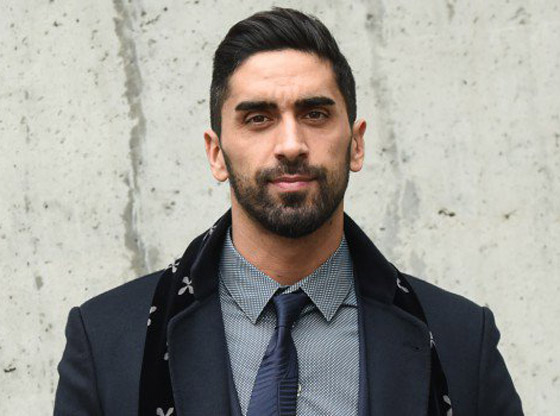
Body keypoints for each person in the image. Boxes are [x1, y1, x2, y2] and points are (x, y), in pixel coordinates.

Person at [54, 7, 523, 416]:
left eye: (315, 114)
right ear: (216, 154)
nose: (291, 144)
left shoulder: (462, 340)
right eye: (258, 118)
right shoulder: (107, 340)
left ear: (356, 144)